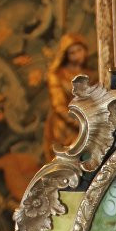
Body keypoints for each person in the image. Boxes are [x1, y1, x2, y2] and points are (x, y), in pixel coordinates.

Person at [43, 32, 94, 160]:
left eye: (79, 50)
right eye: (72, 53)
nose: (77, 55)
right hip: (65, 128)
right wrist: (79, 123)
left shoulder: (92, 74)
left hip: (88, 123)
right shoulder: (57, 75)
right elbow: (58, 106)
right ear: (65, 55)